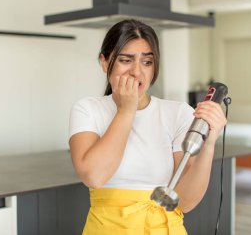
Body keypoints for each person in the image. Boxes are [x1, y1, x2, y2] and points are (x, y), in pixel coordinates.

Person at [68, 19, 227, 235]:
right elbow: (94, 176)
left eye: (147, 62)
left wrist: (208, 144)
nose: (137, 72)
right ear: (105, 63)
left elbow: (185, 202)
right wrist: (126, 110)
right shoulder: (88, 109)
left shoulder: (178, 112)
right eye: (126, 60)